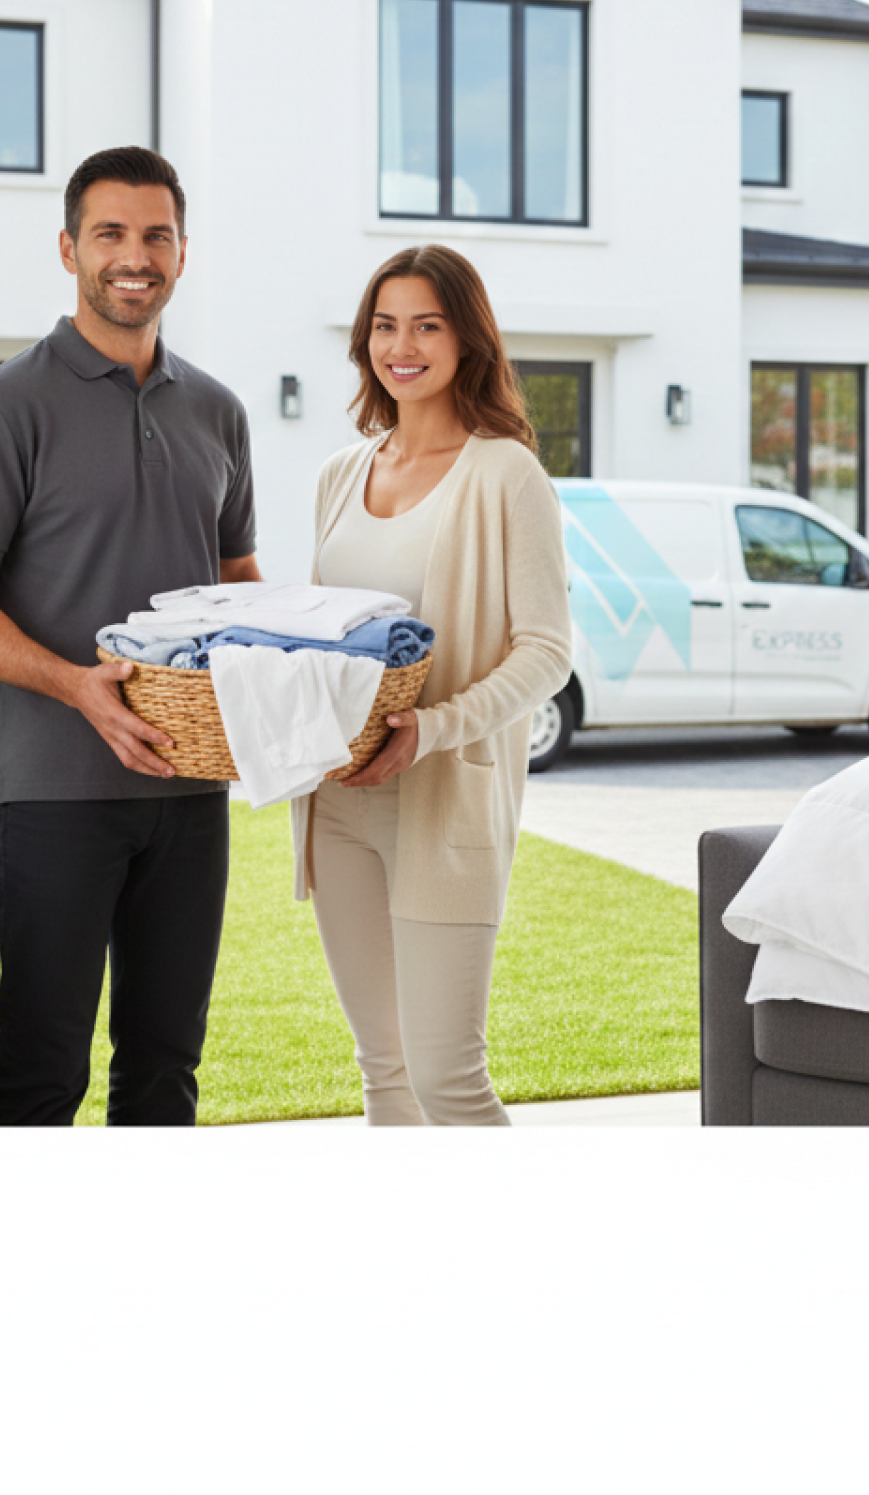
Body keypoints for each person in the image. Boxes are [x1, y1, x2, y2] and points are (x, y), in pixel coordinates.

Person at [0, 146, 261, 1127]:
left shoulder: (218, 411)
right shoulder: (2, 408)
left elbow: (236, 583)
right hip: (54, 792)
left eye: (157, 235)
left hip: (189, 793)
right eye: (110, 233)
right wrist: (78, 686)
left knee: (165, 1069)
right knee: (42, 1070)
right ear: (70, 249)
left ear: (183, 253)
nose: (135, 256)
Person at [292, 245, 571, 1125]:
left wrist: (433, 728)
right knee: (384, 1070)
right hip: (339, 800)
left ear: (466, 340)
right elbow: (325, 634)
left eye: (426, 326)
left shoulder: (506, 473)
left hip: (444, 802)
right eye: (385, 326)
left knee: (448, 1080)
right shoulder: (341, 474)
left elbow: (546, 651)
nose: (401, 346)